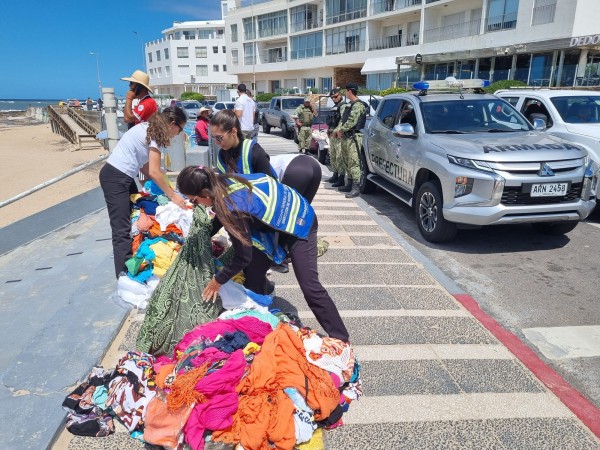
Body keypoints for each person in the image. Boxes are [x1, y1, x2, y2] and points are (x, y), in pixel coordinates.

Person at [176, 166, 350, 342]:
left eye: (194, 201)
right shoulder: (220, 182)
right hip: (282, 214)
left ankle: (341, 338)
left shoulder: (231, 207)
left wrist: (217, 281)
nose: (194, 205)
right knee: (254, 269)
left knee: (310, 286)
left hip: (300, 221)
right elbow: (222, 219)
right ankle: (260, 310)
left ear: (205, 193)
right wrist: (200, 237)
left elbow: (243, 256)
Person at [99, 106, 188, 278]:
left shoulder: (147, 128)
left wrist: (164, 182)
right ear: (172, 123)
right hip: (116, 178)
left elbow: (147, 168)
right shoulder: (154, 135)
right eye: (180, 128)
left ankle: (133, 264)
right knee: (121, 230)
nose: (178, 133)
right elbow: (153, 172)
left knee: (135, 219)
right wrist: (173, 195)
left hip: (121, 176)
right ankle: (123, 276)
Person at [212, 110, 277, 178]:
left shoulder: (255, 152)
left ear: (234, 131)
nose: (216, 142)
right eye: (214, 137)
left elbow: (269, 184)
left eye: (219, 138)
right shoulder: (222, 155)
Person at [332, 83, 368, 198]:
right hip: (346, 137)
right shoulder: (349, 105)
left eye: (346, 91)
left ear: (350, 91)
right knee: (346, 160)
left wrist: (340, 130)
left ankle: (356, 188)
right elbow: (343, 120)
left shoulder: (358, 105)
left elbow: (351, 121)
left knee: (354, 162)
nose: (345, 93)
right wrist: (336, 130)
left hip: (354, 137)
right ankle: (349, 184)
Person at [326, 87, 346, 187]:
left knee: (339, 157)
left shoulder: (343, 106)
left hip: (338, 135)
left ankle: (341, 178)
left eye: (335, 97)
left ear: (340, 95)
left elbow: (342, 121)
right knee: (332, 155)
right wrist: (329, 130)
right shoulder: (335, 106)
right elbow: (331, 120)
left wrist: (337, 131)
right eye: (332, 97)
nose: (333, 99)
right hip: (332, 133)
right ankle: (335, 174)